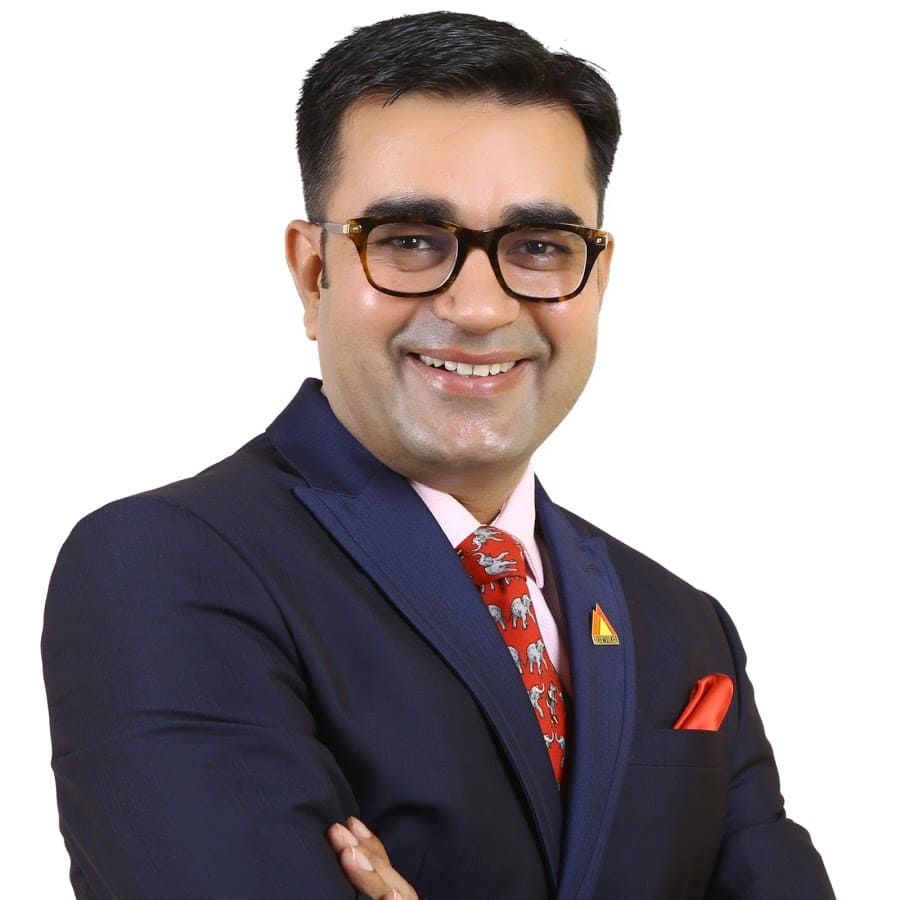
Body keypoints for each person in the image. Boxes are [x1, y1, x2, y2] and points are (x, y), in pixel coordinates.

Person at [42, 11, 835, 899]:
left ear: (597, 277)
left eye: (539, 247)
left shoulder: (682, 624)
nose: (480, 307)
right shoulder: (166, 566)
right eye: (412, 241)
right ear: (314, 274)